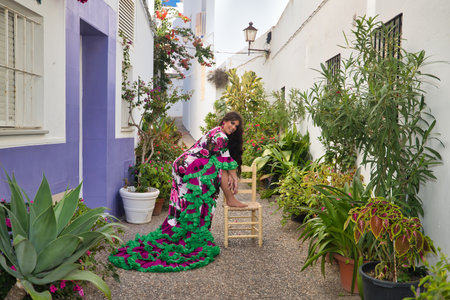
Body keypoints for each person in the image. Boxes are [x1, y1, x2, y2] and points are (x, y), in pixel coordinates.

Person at [109, 112, 247, 272]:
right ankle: (194, 229)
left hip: (183, 167)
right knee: (197, 199)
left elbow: (224, 158)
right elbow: (225, 162)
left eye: (236, 126)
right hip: (189, 169)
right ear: (224, 121)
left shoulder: (216, 131)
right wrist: (234, 178)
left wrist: (231, 174)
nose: (233, 127)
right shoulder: (220, 136)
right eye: (231, 123)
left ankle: (182, 230)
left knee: (182, 204)